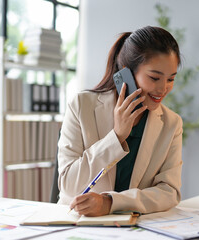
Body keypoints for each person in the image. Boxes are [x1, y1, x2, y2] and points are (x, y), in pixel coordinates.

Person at [57, 26, 183, 217]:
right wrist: (116, 136)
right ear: (127, 74)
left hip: (135, 227)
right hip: (78, 223)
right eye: (154, 78)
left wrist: (111, 203)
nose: (162, 89)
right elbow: (68, 185)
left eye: (171, 79)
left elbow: (169, 192)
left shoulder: (172, 123)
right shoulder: (82, 106)